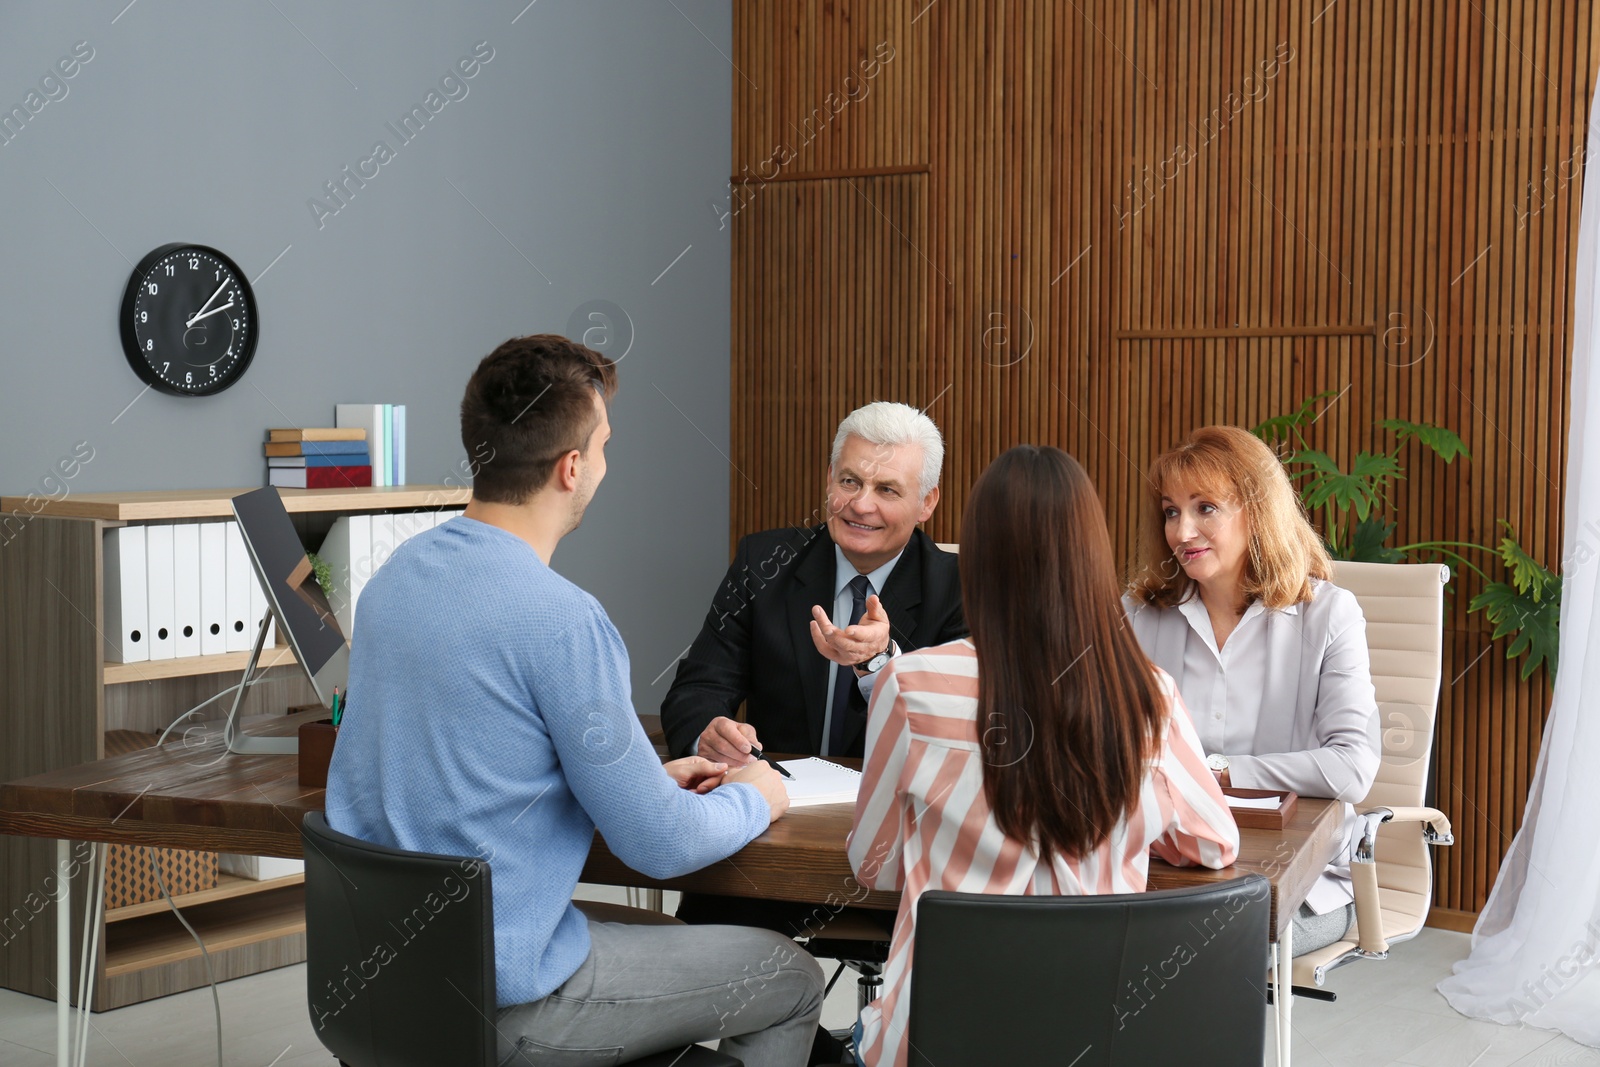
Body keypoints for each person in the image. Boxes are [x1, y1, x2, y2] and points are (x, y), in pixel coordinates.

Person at [324, 335, 824, 1066]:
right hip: (509, 1005)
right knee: (789, 974)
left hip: (385, 983)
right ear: (571, 467)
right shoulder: (562, 618)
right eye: (605, 447)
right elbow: (659, 845)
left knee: (658, 941)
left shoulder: (395, 578)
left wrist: (645, 783)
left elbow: (471, 769)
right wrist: (760, 795)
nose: (605, 465)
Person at [848, 445, 1240, 1067]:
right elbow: (1214, 842)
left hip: (935, 1042)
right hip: (1101, 1042)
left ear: (974, 559)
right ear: (1092, 557)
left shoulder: (909, 685)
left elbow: (874, 864)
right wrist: (1127, 824)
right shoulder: (1149, 698)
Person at [1124, 424, 1382, 956]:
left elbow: (1352, 766)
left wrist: (1217, 771)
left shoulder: (1329, 615)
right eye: (1172, 511)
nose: (1182, 531)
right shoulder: (1139, 617)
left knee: (1199, 951)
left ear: (1258, 511)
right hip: (1166, 867)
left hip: (1294, 881)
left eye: (1205, 508)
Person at [661, 401, 965, 765]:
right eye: (850, 481)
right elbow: (698, 688)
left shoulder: (961, 588)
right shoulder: (762, 563)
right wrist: (708, 736)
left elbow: (956, 728)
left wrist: (879, 663)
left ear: (926, 503)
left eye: (887, 490)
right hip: (779, 804)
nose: (861, 505)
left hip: (898, 810)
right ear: (829, 478)